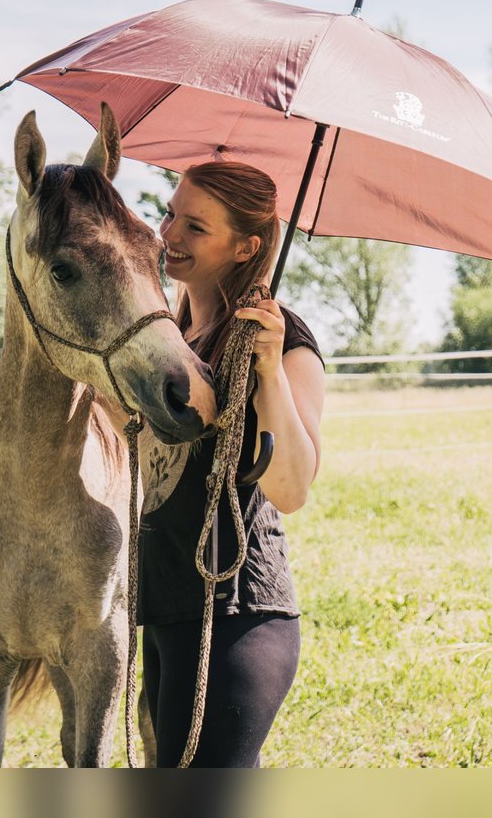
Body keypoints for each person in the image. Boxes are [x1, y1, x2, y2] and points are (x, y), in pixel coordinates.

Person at [137, 161, 325, 768]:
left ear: (246, 246)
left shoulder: (283, 341)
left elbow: (292, 486)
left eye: (196, 227)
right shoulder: (164, 342)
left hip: (236, 614)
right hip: (166, 605)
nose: (170, 234)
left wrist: (268, 370)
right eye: (170, 214)